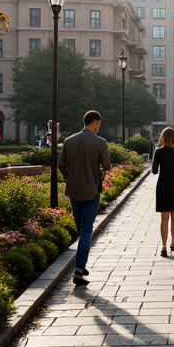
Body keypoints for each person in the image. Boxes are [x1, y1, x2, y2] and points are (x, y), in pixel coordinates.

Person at [58, 110, 111, 286]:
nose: (99, 127)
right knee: (87, 231)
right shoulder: (100, 142)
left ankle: (81, 265)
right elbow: (107, 165)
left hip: (74, 191)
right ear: (95, 122)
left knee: (82, 230)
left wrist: (68, 178)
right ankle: (79, 270)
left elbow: (61, 164)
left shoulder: (69, 141)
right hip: (91, 191)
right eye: (99, 124)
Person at [151, 127, 174, 257]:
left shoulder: (158, 152)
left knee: (164, 218)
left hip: (163, 185)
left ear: (162, 137)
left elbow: (154, 170)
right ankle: (173, 243)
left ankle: (163, 247)